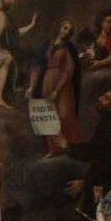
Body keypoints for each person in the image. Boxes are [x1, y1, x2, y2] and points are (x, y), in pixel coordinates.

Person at [27, 19, 81, 156]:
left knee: (64, 115)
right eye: (65, 28)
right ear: (59, 28)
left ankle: (70, 146)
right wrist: (32, 86)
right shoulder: (47, 46)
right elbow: (37, 65)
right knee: (49, 116)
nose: (67, 32)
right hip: (47, 82)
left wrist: (57, 90)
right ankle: (54, 149)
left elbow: (69, 69)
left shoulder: (68, 49)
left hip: (63, 85)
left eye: (70, 30)